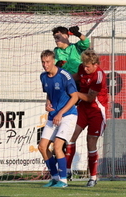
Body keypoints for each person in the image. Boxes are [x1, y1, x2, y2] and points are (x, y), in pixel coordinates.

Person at [64, 50, 109, 187]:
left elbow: (90, 98)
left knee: (91, 142)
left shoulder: (99, 77)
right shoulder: (82, 68)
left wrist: (74, 93)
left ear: (95, 64)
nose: (85, 68)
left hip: (97, 111)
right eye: (84, 65)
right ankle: (67, 172)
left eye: (88, 66)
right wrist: (63, 78)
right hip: (83, 109)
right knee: (71, 136)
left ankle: (93, 177)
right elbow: (76, 77)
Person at [38, 50, 80, 188]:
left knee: (57, 146)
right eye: (43, 62)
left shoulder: (64, 76)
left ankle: (63, 180)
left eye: (48, 62)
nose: (45, 65)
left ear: (54, 61)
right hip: (54, 115)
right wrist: (47, 103)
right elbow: (49, 93)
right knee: (42, 147)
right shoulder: (43, 77)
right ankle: (55, 178)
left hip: (68, 115)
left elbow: (75, 97)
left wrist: (60, 113)